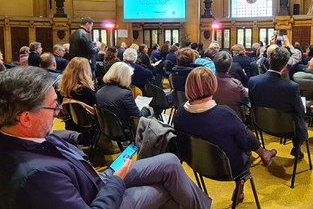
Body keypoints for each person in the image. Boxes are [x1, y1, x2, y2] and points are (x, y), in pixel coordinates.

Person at [0, 66, 212, 209]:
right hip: (101, 194)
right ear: (26, 118)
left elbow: (51, 140)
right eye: (53, 105)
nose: (58, 110)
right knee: (167, 187)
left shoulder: (24, 136)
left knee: (170, 162)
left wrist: (76, 136)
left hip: (96, 179)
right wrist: (118, 179)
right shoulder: (36, 176)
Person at [174, 67, 277, 178]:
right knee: (245, 136)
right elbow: (246, 141)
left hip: (195, 162)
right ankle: (263, 155)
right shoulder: (224, 113)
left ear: (188, 86)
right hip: (228, 168)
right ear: (213, 85)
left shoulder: (179, 113)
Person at [249, 47, 308, 159]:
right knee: (299, 122)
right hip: (287, 129)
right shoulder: (291, 87)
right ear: (286, 65)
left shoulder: (253, 81)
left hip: (261, 124)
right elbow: (300, 111)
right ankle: (297, 148)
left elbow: (252, 103)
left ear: (269, 60)